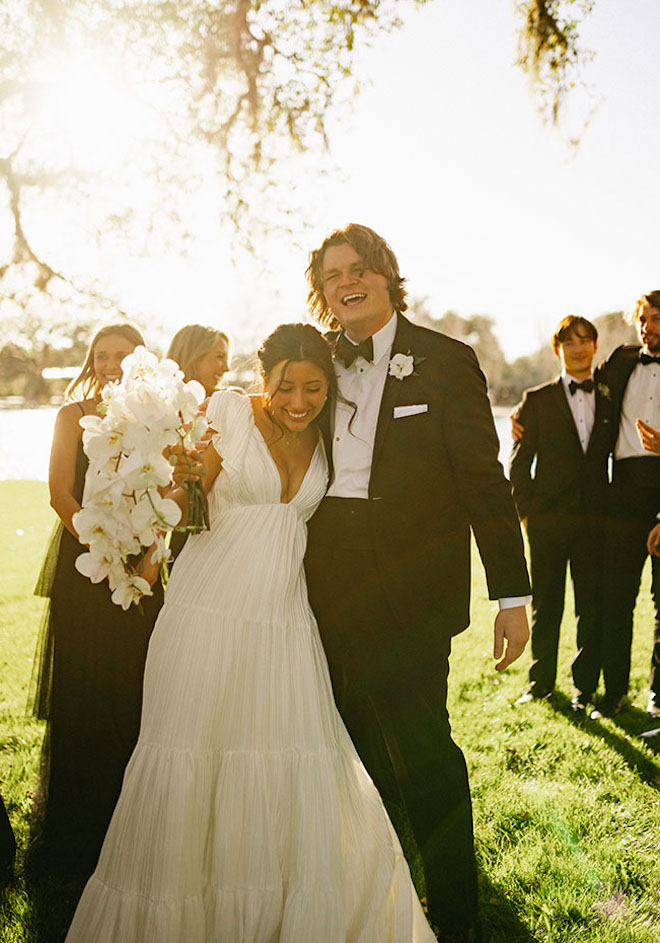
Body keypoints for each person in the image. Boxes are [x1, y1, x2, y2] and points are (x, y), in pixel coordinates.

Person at [66, 323, 436, 943]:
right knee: (194, 761)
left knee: (292, 760)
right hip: (207, 614)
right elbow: (187, 513)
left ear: (328, 387)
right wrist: (176, 479)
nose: (298, 401)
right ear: (262, 380)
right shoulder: (230, 412)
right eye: (285, 386)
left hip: (286, 623)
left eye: (313, 389)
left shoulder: (330, 436)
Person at [303, 224, 531, 943]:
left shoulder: (444, 360)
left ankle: (456, 913)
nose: (347, 281)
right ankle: (374, 902)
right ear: (322, 292)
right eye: (333, 273)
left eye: (359, 268)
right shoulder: (315, 364)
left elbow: (483, 482)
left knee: (425, 753)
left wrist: (513, 594)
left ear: (386, 275)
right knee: (348, 749)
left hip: (411, 590)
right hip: (323, 584)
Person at [30, 323, 164, 873]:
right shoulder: (71, 416)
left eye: (122, 355)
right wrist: (105, 541)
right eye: (102, 355)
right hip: (86, 562)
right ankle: (76, 832)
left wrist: (144, 551)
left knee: (136, 689)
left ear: (140, 361)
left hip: (143, 569)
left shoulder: (157, 418)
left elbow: (168, 492)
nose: (111, 363)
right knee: (83, 688)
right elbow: (60, 491)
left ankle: (134, 830)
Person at [509, 316, 611, 712]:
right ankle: (540, 684)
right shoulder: (535, 400)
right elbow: (519, 464)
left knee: (591, 604)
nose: (579, 348)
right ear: (558, 349)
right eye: (571, 342)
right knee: (546, 605)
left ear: (595, 347)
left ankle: (585, 687)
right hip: (547, 521)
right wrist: (527, 511)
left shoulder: (608, 395)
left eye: (586, 341)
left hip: (594, 520)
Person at [589, 291, 660, 719]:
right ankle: (613, 691)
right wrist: (528, 415)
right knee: (616, 597)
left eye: (658, 318)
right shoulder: (621, 361)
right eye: (644, 319)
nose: (649, 326)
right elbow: (577, 393)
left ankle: (659, 694)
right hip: (623, 491)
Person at [166, 324, 230, 396]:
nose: (226, 368)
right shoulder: (156, 400)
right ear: (192, 355)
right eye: (220, 357)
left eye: (226, 360)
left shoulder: (227, 401)